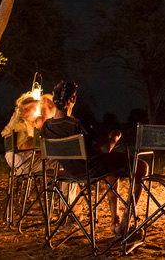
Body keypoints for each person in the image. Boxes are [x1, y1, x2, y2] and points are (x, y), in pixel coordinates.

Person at [42, 81, 145, 237]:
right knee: (141, 166)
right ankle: (125, 224)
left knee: (112, 170)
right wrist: (114, 137)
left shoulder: (46, 126)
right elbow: (105, 148)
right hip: (91, 169)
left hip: (70, 173)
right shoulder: (77, 124)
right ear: (74, 99)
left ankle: (115, 222)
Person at [1, 93, 41, 172]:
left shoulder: (20, 121)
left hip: (20, 158)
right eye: (35, 109)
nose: (37, 112)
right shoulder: (18, 124)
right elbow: (23, 146)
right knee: (61, 161)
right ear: (24, 109)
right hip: (21, 160)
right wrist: (45, 143)